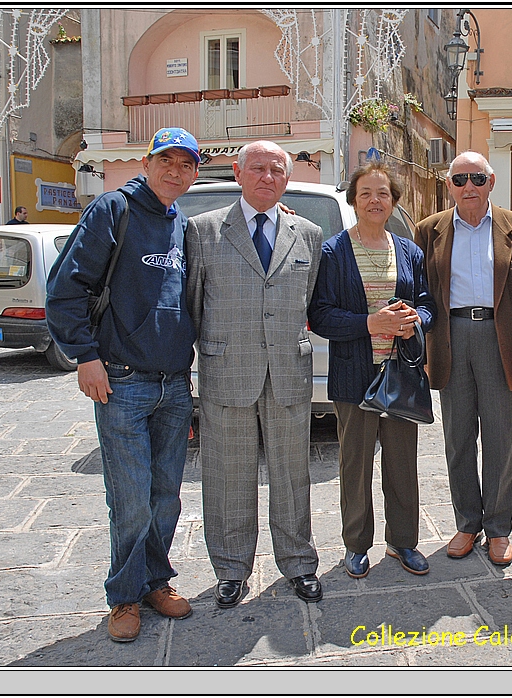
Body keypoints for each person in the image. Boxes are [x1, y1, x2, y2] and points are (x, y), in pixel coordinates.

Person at [45, 127, 201, 642]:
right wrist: (84, 357)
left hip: (174, 386)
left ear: (195, 172)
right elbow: (65, 288)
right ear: (146, 162)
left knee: (166, 497)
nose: (175, 171)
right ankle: (125, 597)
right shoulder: (115, 210)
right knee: (130, 497)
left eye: (185, 164)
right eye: (166, 161)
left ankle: (155, 581)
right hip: (122, 383)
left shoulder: (181, 223)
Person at [186, 140, 324, 608]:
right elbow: (190, 305)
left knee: (293, 475)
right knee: (227, 476)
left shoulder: (307, 233)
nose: (268, 177)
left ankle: (299, 563)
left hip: (289, 371)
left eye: (277, 170)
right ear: (238, 173)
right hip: (227, 372)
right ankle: (230, 568)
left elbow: (310, 300)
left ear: (288, 179)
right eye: (259, 168)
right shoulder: (202, 231)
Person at [415, 151, 512, 568]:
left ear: (491, 182)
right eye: (459, 180)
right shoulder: (428, 230)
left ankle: (500, 528)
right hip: (450, 337)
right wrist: (424, 349)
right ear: (448, 185)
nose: (468, 187)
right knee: (457, 437)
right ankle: (467, 522)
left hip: (499, 338)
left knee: (501, 436)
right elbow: (420, 293)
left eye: (476, 178)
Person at [308, 162, 436, 578]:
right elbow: (322, 316)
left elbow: (427, 304)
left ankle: (403, 542)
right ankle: (356, 544)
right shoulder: (333, 251)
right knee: (355, 465)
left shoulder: (409, 251)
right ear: (354, 199)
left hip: (400, 375)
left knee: (402, 464)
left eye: (383, 193)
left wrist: (414, 318)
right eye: (366, 193)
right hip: (354, 375)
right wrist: (368, 324)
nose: (375, 200)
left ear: (394, 201)